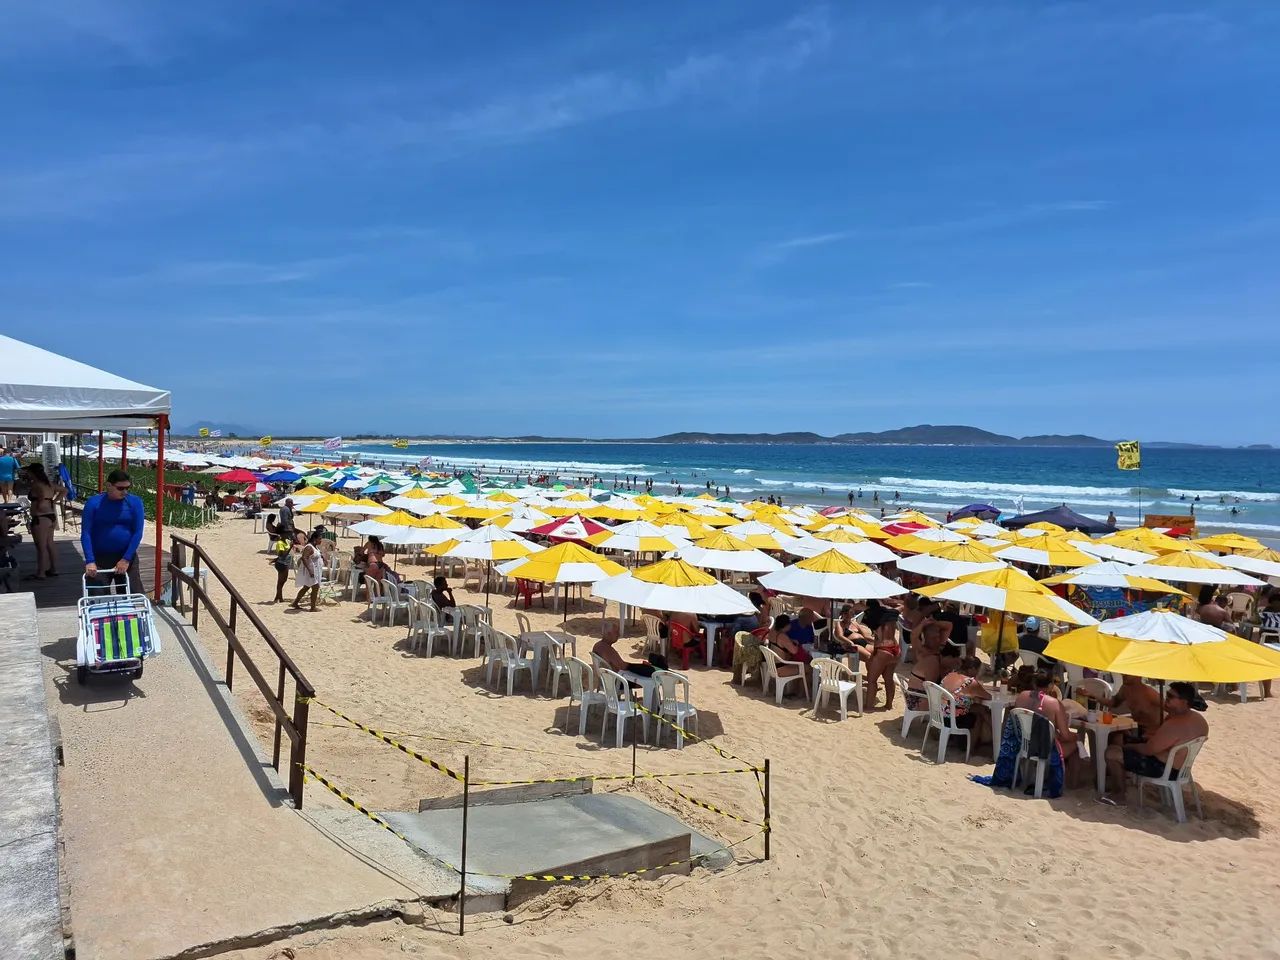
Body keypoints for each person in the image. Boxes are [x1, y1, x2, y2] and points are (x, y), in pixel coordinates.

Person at [1102, 682, 1209, 805]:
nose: (1166, 698)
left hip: (1164, 769)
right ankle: (1118, 777)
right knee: (1119, 737)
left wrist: (1128, 747)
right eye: (1167, 694)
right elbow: (1162, 741)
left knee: (1112, 752)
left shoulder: (1175, 724)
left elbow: (1148, 749)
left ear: (1184, 702)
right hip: (1180, 768)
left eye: (1171, 696)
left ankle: (1118, 795)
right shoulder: (1198, 720)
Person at [81, 469, 146, 594]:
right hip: (100, 558)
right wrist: (90, 561)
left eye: (128, 488)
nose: (125, 492)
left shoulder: (134, 502)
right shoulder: (94, 503)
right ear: (109, 485)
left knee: (132, 596)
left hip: (126, 556)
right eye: (121, 488)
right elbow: (86, 533)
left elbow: (137, 532)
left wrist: (126, 559)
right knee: (97, 597)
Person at [1013, 671, 1082, 788]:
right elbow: (1066, 735)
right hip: (1044, 750)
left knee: (1059, 739)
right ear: (1050, 686)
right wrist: (1077, 737)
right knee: (1076, 745)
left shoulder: (1022, 696)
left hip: (1022, 744)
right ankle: (1072, 785)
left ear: (1034, 683)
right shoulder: (1054, 704)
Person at [941, 658, 993, 752]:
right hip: (954, 719)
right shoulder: (970, 682)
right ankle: (971, 748)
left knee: (978, 708)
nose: (978, 672)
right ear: (972, 668)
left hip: (940, 715)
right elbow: (988, 697)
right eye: (978, 670)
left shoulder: (949, 675)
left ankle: (957, 741)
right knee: (979, 714)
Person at [22, 463, 63, 580]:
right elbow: (64, 490)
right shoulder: (49, 484)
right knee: (50, 543)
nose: (27, 474)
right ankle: (54, 569)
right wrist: (54, 501)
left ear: (33, 473)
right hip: (50, 516)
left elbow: (40, 496)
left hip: (40, 517)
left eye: (29, 472)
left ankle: (41, 572)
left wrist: (40, 504)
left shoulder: (37, 485)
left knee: (41, 547)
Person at [862, 599, 902, 709]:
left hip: (884, 648)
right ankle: (889, 705)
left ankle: (869, 706)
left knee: (872, 680)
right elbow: (901, 606)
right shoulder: (891, 613)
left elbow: (877, 635)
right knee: (888, 678)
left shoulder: (872, 615)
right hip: (895, 648)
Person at [593, 620, 666, 677]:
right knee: (649, 677)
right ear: (609, 634)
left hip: (607, 679)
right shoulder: (607, 649)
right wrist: (642, 666)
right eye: (616, 632)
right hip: (616, 681)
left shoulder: (598, 645)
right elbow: (623, 666)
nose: (618, 635)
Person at [291, 530, 325, 611]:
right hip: (311, 571)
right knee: (315, 588)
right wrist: (310, 571)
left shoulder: (315, 547)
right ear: (314, 539)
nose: (321, 541)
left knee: (306, 587)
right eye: (319, 539)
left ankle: (295, 602)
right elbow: (304, 558)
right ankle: (313, 607)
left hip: (315, 571)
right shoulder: (309, 547)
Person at [267, 530, 301, 603]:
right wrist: (290, 547)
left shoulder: (286, 541)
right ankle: (278, 597)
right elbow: (282, 555)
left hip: (285, 563)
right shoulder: (280, 543)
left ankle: (278, 596)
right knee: (281, 582)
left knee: (283, 581)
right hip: (282, 563)